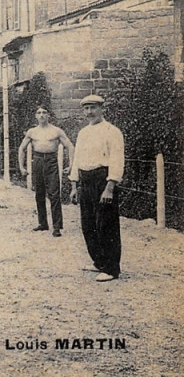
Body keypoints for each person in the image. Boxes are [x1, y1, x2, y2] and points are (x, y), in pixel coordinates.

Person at [69, 95, 124, 282]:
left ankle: (111, 268)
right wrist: (74, 185)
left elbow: (117, 160)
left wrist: (109, 187)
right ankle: (98, 262)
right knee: (88, 225)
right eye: (86, 109)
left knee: (106, 224)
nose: (89, 112)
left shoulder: (112, 131)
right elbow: (77, 159)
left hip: (103, 180)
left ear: (102, 109)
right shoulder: (83, 133)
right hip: (85, 180)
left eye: (93, 108)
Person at [18, 106, 76, 237]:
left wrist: (71, 165)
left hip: (51, 162)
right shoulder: (32, 132)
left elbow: (70, 146)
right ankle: (43, 223)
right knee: (39, 193)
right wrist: (22, 167)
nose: (42, 115)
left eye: (44, 112)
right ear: (35, 116)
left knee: (54, 194)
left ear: (48, 115)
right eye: (39, 113)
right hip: (37, 161)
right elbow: (21, 148)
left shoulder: (56, 131)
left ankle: (57, 227)